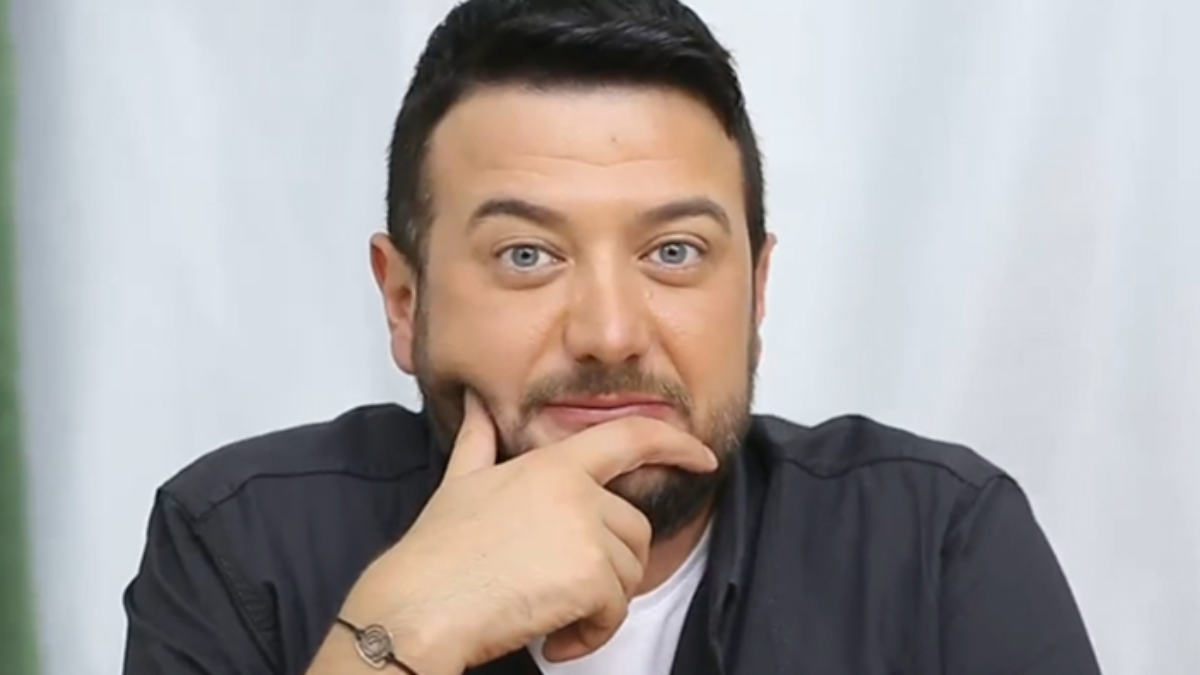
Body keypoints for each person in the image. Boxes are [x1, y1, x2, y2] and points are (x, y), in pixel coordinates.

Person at [121, 0, 1102, 673]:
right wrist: (399, 634)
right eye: (527, 256)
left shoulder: (933, 544)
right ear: (404, 302)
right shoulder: (238, 544)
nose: (610, 333)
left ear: (757, 290)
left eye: (674, 252)